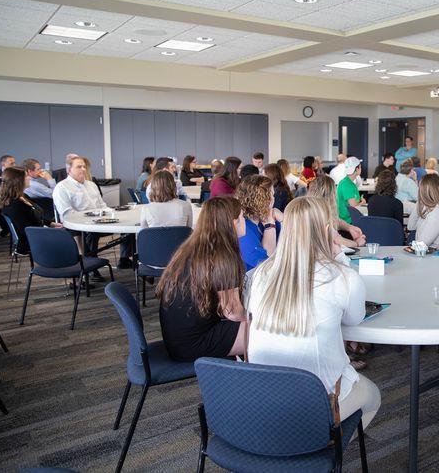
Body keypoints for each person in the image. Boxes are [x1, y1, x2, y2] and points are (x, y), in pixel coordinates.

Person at [246, 196, 381, 429]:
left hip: (261, 398)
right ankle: (322, 451)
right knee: (373, 396)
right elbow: (354, 320)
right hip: (316, 403)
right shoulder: (342, 277)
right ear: (328, 231)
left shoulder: (259, 274)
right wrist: (338, 257)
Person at [157, 196, 246, 362]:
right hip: (193, 345)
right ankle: (254, 382)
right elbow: (232, 312)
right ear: (233, 223)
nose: (244, 220)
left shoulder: (192, 248)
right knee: (264, 333)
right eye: (242, 216)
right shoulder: (223, 257)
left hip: (176, 339)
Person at [52, 155, 133, 268]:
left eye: (84, 166)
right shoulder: (62, 187)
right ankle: (90, 266)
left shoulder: (91, 185)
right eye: (79, 167)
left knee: (128, 226)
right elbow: (67, 214)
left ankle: (124, 259)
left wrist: (114, 214)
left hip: (99, 221)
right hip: (79, 225)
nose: (83, 169)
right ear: (69, 170)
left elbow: (102, 206)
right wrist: (91, 219)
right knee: (90, 233)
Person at [0, 167, 62, 254]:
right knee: (71, 235)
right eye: (26, 176)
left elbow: (34, 217)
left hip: (38, 234)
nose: (29, 178)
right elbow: (28, 230)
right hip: (31, 241)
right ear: (18, 181)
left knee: (69, 232)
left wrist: (51, 224)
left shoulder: (23, 196)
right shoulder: (15, 205)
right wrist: (51, 231)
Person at [237, 175, 282, 271]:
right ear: (266, 200)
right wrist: (270, 223)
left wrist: (284, 219)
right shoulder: (242, 229)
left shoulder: (271, 218)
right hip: (252, 281)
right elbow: (266, 263)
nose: (274, 199)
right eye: (272, 195)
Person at [307, 176, 366, 248]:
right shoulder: (320, 215)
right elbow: (336, 240)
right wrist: (357, 243)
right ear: (331, 195)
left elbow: (335, 220)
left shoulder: (312, 208)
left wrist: (349, 227)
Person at [0, 154, 16, 236]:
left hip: (13, 198)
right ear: (3, 164)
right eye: (11, 163)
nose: (14, 165)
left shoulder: (16, 174)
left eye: (14, 163)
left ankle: (11, 229)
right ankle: (6, 228)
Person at [336, 157, 365, 224]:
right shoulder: (347, 185)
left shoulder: (347, 182)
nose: (361, 169)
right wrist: (362, 202)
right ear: (356, 169)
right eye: (360, 167)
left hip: (348, 218)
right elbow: (353, 206)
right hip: (348, 220)